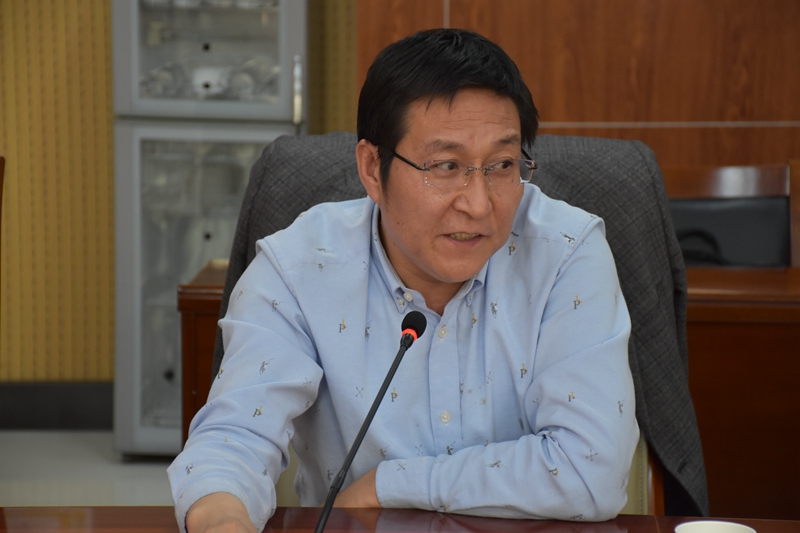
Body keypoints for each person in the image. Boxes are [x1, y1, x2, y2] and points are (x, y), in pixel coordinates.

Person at [168, 29, 638, 533]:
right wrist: (223, 521)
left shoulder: (565, 252)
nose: (479, 204)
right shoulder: (299, 268)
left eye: (502, 165)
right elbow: (233, 441)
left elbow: (593, 470)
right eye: (446, 166)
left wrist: (388, 486)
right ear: (373, 168)